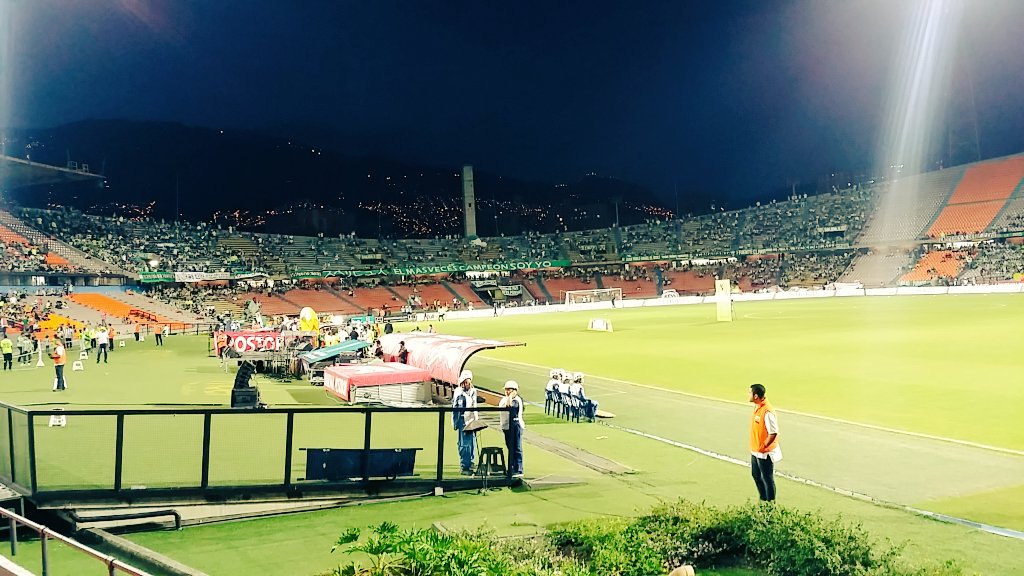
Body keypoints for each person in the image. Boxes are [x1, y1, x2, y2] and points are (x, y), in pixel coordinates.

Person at [749, 383, 781, 502]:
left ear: (756, 396)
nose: (748, 395)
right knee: (756, 475)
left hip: (764, 452)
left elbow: (773, 432)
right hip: (755, 449)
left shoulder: (767, 411)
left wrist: (764, 446)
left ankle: (770, 504)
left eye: (749, 393)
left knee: (767, 478)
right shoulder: (758, 407)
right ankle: (763, 499)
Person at [451, 370, 479, 475]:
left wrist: (476, 419)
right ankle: (464, 465)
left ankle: (470, 462)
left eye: (468, 382)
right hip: (463, 421)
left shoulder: (473, 391)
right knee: (464, 444)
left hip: (471, 420)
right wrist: (456, 422)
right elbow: (457, 408)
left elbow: (474, 406)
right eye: (466, 382)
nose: (467, 384)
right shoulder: (459, 392)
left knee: (471, 443)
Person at [499, 380, 525, 477]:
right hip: (506, 426)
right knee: (510, 448)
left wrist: (511, 396)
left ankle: (518, 469)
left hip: (515, 426)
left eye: (509, 390)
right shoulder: (504, 399)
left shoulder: (516, 400)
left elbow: (510, 406)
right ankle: (512, 467)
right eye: (506, 390)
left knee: (516, 448)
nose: (507, 391)